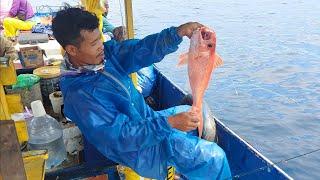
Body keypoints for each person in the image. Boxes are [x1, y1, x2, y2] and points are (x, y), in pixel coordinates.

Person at [53, 7, 231, 179]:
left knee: (192, 113)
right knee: (215, 159)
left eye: (99, 38)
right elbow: (122, 137)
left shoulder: (104, 56)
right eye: (93, 43)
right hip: (136, 150)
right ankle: (178, 165)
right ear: (72, 50)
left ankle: (183, 166)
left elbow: (139, 50)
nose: (101, 46)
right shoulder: (81, 96)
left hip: (146, 120)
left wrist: (176, 33)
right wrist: (169, 123)